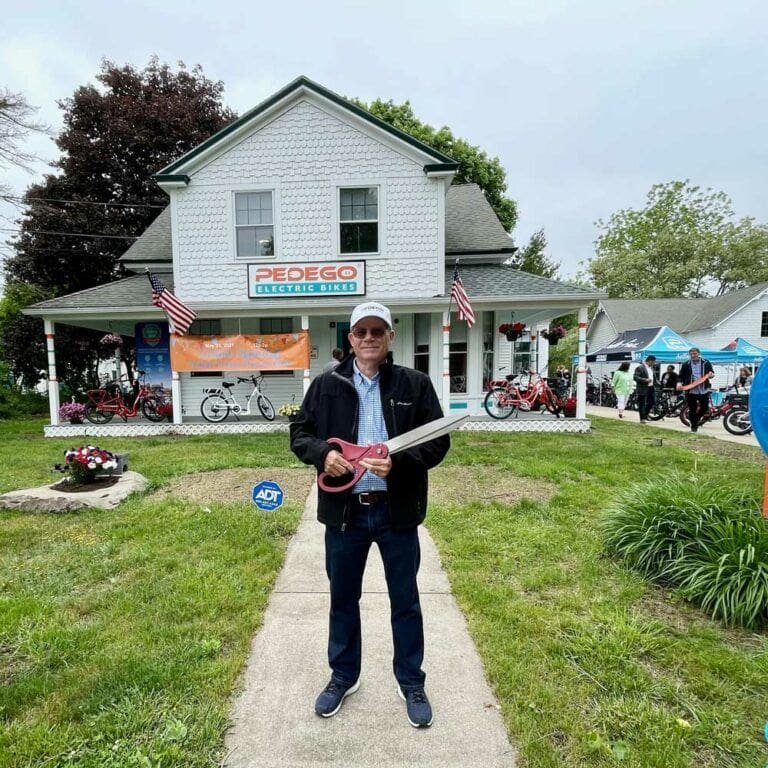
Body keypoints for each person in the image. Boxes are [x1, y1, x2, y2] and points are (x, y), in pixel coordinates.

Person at [290, 301, 449, 728]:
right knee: (343, 599)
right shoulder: (326, 385)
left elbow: (437, 442)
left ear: (390, 337)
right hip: (346, 517)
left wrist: (402, 462)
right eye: (361, 332)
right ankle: (343, 676)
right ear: (350, 339)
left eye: (378, 331)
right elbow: (300, 434)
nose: (369, 338)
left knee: (406, 601)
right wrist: (324, 455)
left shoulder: (415, 385)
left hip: (397, 514)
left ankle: (411, 680)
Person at [677, 347, 714, 433]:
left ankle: (695, 419)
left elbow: (711, 372)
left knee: (705, 407)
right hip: (691, 389)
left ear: (698, 353)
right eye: (691, 354)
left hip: (703, 389)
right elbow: (681, 375)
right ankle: (694, 428)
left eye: (695, 354)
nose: (693, 355)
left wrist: (711, 374)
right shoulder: (686, 364)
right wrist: (679, 383)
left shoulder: (706, 362)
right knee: (692, 408)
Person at [633, 354, 657, 423]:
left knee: (652, 402)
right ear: (650, 361)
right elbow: (635, 377)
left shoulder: (651, 368)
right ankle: (642, 419)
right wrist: (645, 380)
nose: (654, 363)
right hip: (643, 388)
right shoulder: (640, 368)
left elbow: (654, 378)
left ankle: (645, 415)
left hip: (651, 387)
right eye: (654, 362)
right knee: (642, 403)